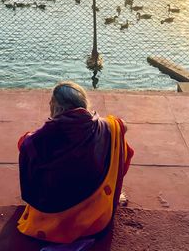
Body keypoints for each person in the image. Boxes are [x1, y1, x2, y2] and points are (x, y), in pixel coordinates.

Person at [17, 81, 134, 244]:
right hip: (97, 219)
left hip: (55, 211)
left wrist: (29, 136)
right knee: (118, 141)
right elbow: (123, 125)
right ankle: (108, 193)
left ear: (56, 107)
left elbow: (23, 145)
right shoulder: (104, 126)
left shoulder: (44, 136)